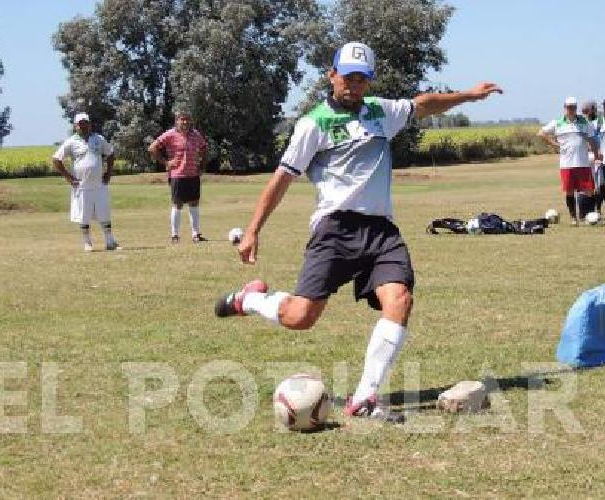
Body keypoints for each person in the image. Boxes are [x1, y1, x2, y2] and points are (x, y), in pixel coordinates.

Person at [212, 41, 503, 423]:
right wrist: (253, 230)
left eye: (361, 78)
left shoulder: (382, 112)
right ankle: (250, 300)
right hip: (335, 229)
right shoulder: (313, 124)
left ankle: (364, 397)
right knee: (301, 317)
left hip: (381, 231)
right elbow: (282, 178)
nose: (353, 84)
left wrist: (469, 96)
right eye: (347, 76)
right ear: (332, 75)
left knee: (399, 300)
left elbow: (425, 103)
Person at [52, 113, 120, 252]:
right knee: (83, 215)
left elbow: (110, 153)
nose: (83, 125)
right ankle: (87, 243)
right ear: (75, 126)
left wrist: (108, 172)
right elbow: (56, 159)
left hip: (99, 185)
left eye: (85, 122)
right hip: (81, 186)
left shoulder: (98, 139)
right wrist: (68, 177)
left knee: (104, 213)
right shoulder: (71, 142)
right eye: (80, 123)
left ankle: (110, 242)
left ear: (90, 124)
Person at [148, 110, 210, 244]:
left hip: (193, 174)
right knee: (178, 205)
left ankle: (196, 235)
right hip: (178, 175)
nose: (185, 122)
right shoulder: (170, 134)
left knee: (194, 203)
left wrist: (202, 166)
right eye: (182, 119)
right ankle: (175, 236)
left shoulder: (196, 135)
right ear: (177, 121)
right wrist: (166, 162)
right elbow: (152, 148)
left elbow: (205, 148)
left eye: (187, 119)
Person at [538, 97, 601, 225]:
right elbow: (541, 133)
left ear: (576, 108)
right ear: (564, 108)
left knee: (589, 191)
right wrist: (554, 143)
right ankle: (573, 218)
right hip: (566, 164)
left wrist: (596, 156)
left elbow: (592, 140)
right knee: (570, 191)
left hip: (583, 163)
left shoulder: (583, 122)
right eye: (568, 107)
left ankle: (588, 215)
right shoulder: (558, 122)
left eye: (573, 107)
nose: (571, 109)